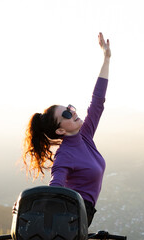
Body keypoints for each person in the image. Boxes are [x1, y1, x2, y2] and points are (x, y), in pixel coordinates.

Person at [22, 32, 111, 227]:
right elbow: (55, 189)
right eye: (66, 114)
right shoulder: (64, 155)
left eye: (70, 108)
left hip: (82, 217)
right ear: (60, 131)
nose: (73, 112)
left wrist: (106, 59)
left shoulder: (85, 134)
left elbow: (97, 102)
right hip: (71, 220)